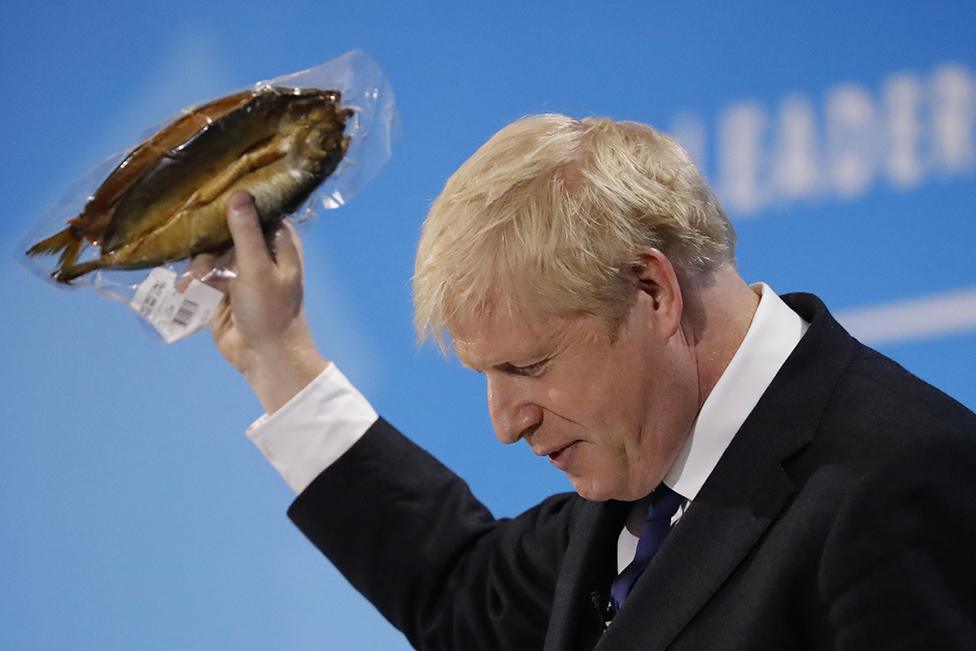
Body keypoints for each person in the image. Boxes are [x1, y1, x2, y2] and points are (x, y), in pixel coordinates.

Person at [206, 115, 976, 650]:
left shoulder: (902, 482)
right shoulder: (644, 482)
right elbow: (461, 589)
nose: (505, 422)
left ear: (652, 291)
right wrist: (277, 356)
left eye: (528, 365)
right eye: (486, 374)